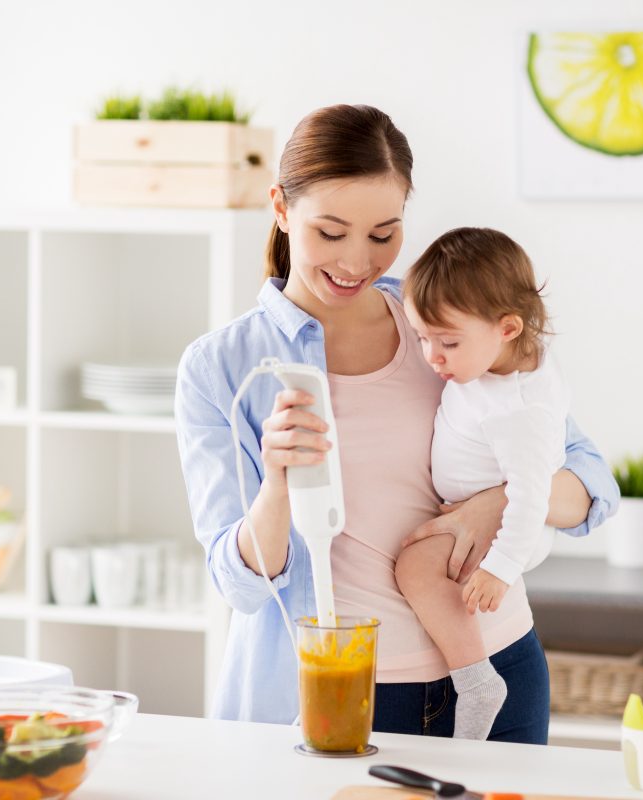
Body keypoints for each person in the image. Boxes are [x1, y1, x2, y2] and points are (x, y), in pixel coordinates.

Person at [174, 104, 619, 744]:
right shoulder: (222, 367)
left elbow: (589, 481)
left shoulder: (442, 313)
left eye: (383, 235)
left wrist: (490, 506)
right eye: (330, 233)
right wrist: (276, 483)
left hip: (500, 664)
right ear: (280, 208)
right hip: (349, 692)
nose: (357, 262)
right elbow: (240, 586)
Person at [396, 226, 570, 740]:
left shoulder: (517, 408)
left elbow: (532, 495)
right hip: (481, 512)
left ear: (508, 328)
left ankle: (475, 682)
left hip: (510, 531)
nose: (432, 357)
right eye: (423, 338)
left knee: (416, 566)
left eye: (448, 342)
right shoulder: (491, 365)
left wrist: (499, 568)